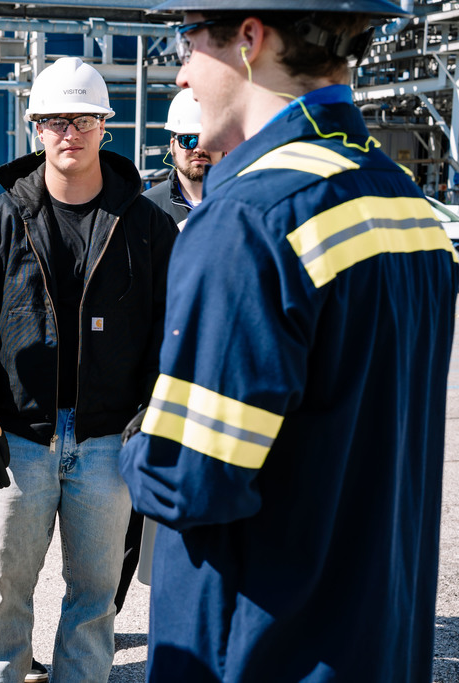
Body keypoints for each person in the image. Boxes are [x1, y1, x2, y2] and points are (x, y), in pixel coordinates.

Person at [120, 1, 459, 680]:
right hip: (377, 641)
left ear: (250, 39)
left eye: (188, 43)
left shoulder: (248, 218)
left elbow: (191, 482)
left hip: (260, 648)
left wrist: (134, 446)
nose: (182, 73)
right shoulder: (407, 205)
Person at [0, 56, 179, 682]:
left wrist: (151, 411)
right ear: (35, 128)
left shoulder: (148, 227)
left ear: (104, 125)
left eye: (82, 119)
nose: (68, 132)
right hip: (17, 437)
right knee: (3, 596)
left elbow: (172, 330)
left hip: (110, 439)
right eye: (54, 120)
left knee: (95, 599)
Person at [142, 88, 224, 227]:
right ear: (172, 146)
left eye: (208, 139)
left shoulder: (246, 203)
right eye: (188, 140)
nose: (199, 148)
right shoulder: (147, 207)